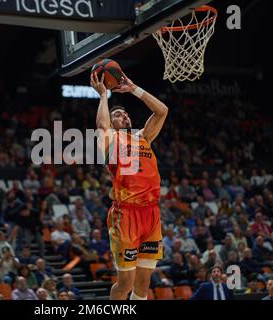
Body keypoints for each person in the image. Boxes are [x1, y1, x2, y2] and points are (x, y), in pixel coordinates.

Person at [91, 70, 168, 301]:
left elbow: (162, 110)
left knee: (143, 285)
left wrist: (134, 89)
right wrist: (104, 96)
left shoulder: (143, 137)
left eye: (125, 115)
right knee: (125, 284)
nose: (124, 117)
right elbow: (103, 126)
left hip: (152, 212)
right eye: (117, 115)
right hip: (126, 215)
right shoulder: (111, 140)